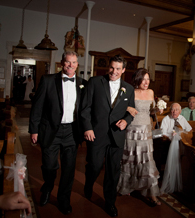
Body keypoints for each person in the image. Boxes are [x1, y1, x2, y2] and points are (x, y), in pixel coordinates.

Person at [80, 55, 135, 217]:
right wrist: (88, 128)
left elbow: (131, 112)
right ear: (108, 67)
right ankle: (88, 183)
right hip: (96, 134)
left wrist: (126, 121)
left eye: (118, 69)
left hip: (117, 136)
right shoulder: (95, 82)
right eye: (112, 68)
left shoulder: (129, 88)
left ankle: (110, 202)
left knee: (113, 171)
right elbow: (85, 108)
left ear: (123, 70)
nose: (114, 71)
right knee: (95, 165)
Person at [29, 51, 83, 215]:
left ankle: (63, 200)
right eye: (67, 62)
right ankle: (47, 187)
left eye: (74, 62)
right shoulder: (48, 80)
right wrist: (34, 129)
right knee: (49, 165)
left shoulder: (83, 84)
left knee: (68, 169)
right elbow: (37, 107)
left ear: (77, 65)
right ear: (61, 63)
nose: (70, 65)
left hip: (72, 131)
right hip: (51, 129)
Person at [117, 68, 162, 206]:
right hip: (132, 130)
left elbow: (150, 110)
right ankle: (127, 186)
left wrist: (158, 109)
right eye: (144, 79)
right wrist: (127, 108)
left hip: (146, 130)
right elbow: (120, 106)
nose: (146, 82)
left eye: (148, 79)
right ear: (138, 80)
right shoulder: (131, 91)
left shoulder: (151, 92)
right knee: (131, 159)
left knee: (146, 160)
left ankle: (151, 194)